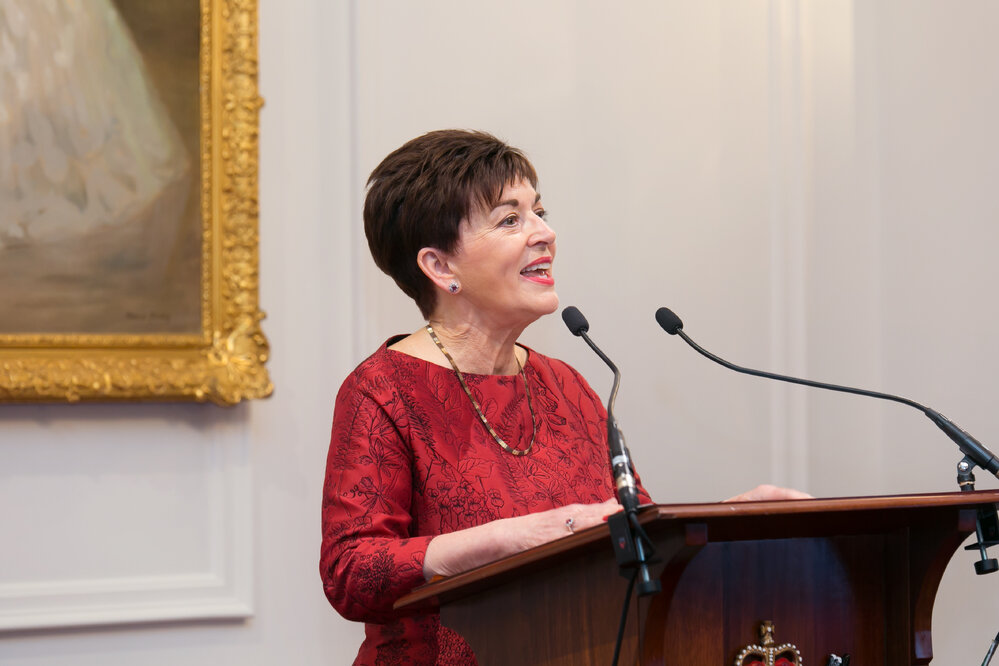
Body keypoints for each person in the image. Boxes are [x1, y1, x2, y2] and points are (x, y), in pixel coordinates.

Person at [320, 130, 807, 665]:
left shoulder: (565, 384)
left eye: (539, 211)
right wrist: (513, 537)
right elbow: (352, 572)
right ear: (440, 267)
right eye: (511, 220)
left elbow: (628, 534)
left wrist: (724, 524)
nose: (546, 233)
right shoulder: (383, 389)